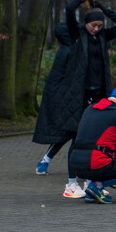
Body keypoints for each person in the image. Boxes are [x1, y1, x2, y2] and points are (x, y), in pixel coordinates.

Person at [33, 0, 116, 195]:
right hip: (81, 95)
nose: (96, 29)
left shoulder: (102, 36)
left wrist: (101, 7)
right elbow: (69, 10)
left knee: (95, 138)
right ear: (86, 24)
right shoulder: (78, 34)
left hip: (99, 94)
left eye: (99, 26)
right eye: (93, 25)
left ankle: (92, 182)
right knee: (78, 138)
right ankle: (71, 183)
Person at [68, 86, 116, 203]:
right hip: (96, 163)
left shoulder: (89, 109)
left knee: (102, 160)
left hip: (75, 164)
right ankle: (96, 186)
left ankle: (91, 193)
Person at [32, 23, 78, 187]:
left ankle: (45, 161)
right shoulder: (71, 51)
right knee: (70, 132)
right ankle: (47, 161)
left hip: (58, 97)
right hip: (64, 99)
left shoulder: (64, 49)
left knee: (68, 132)